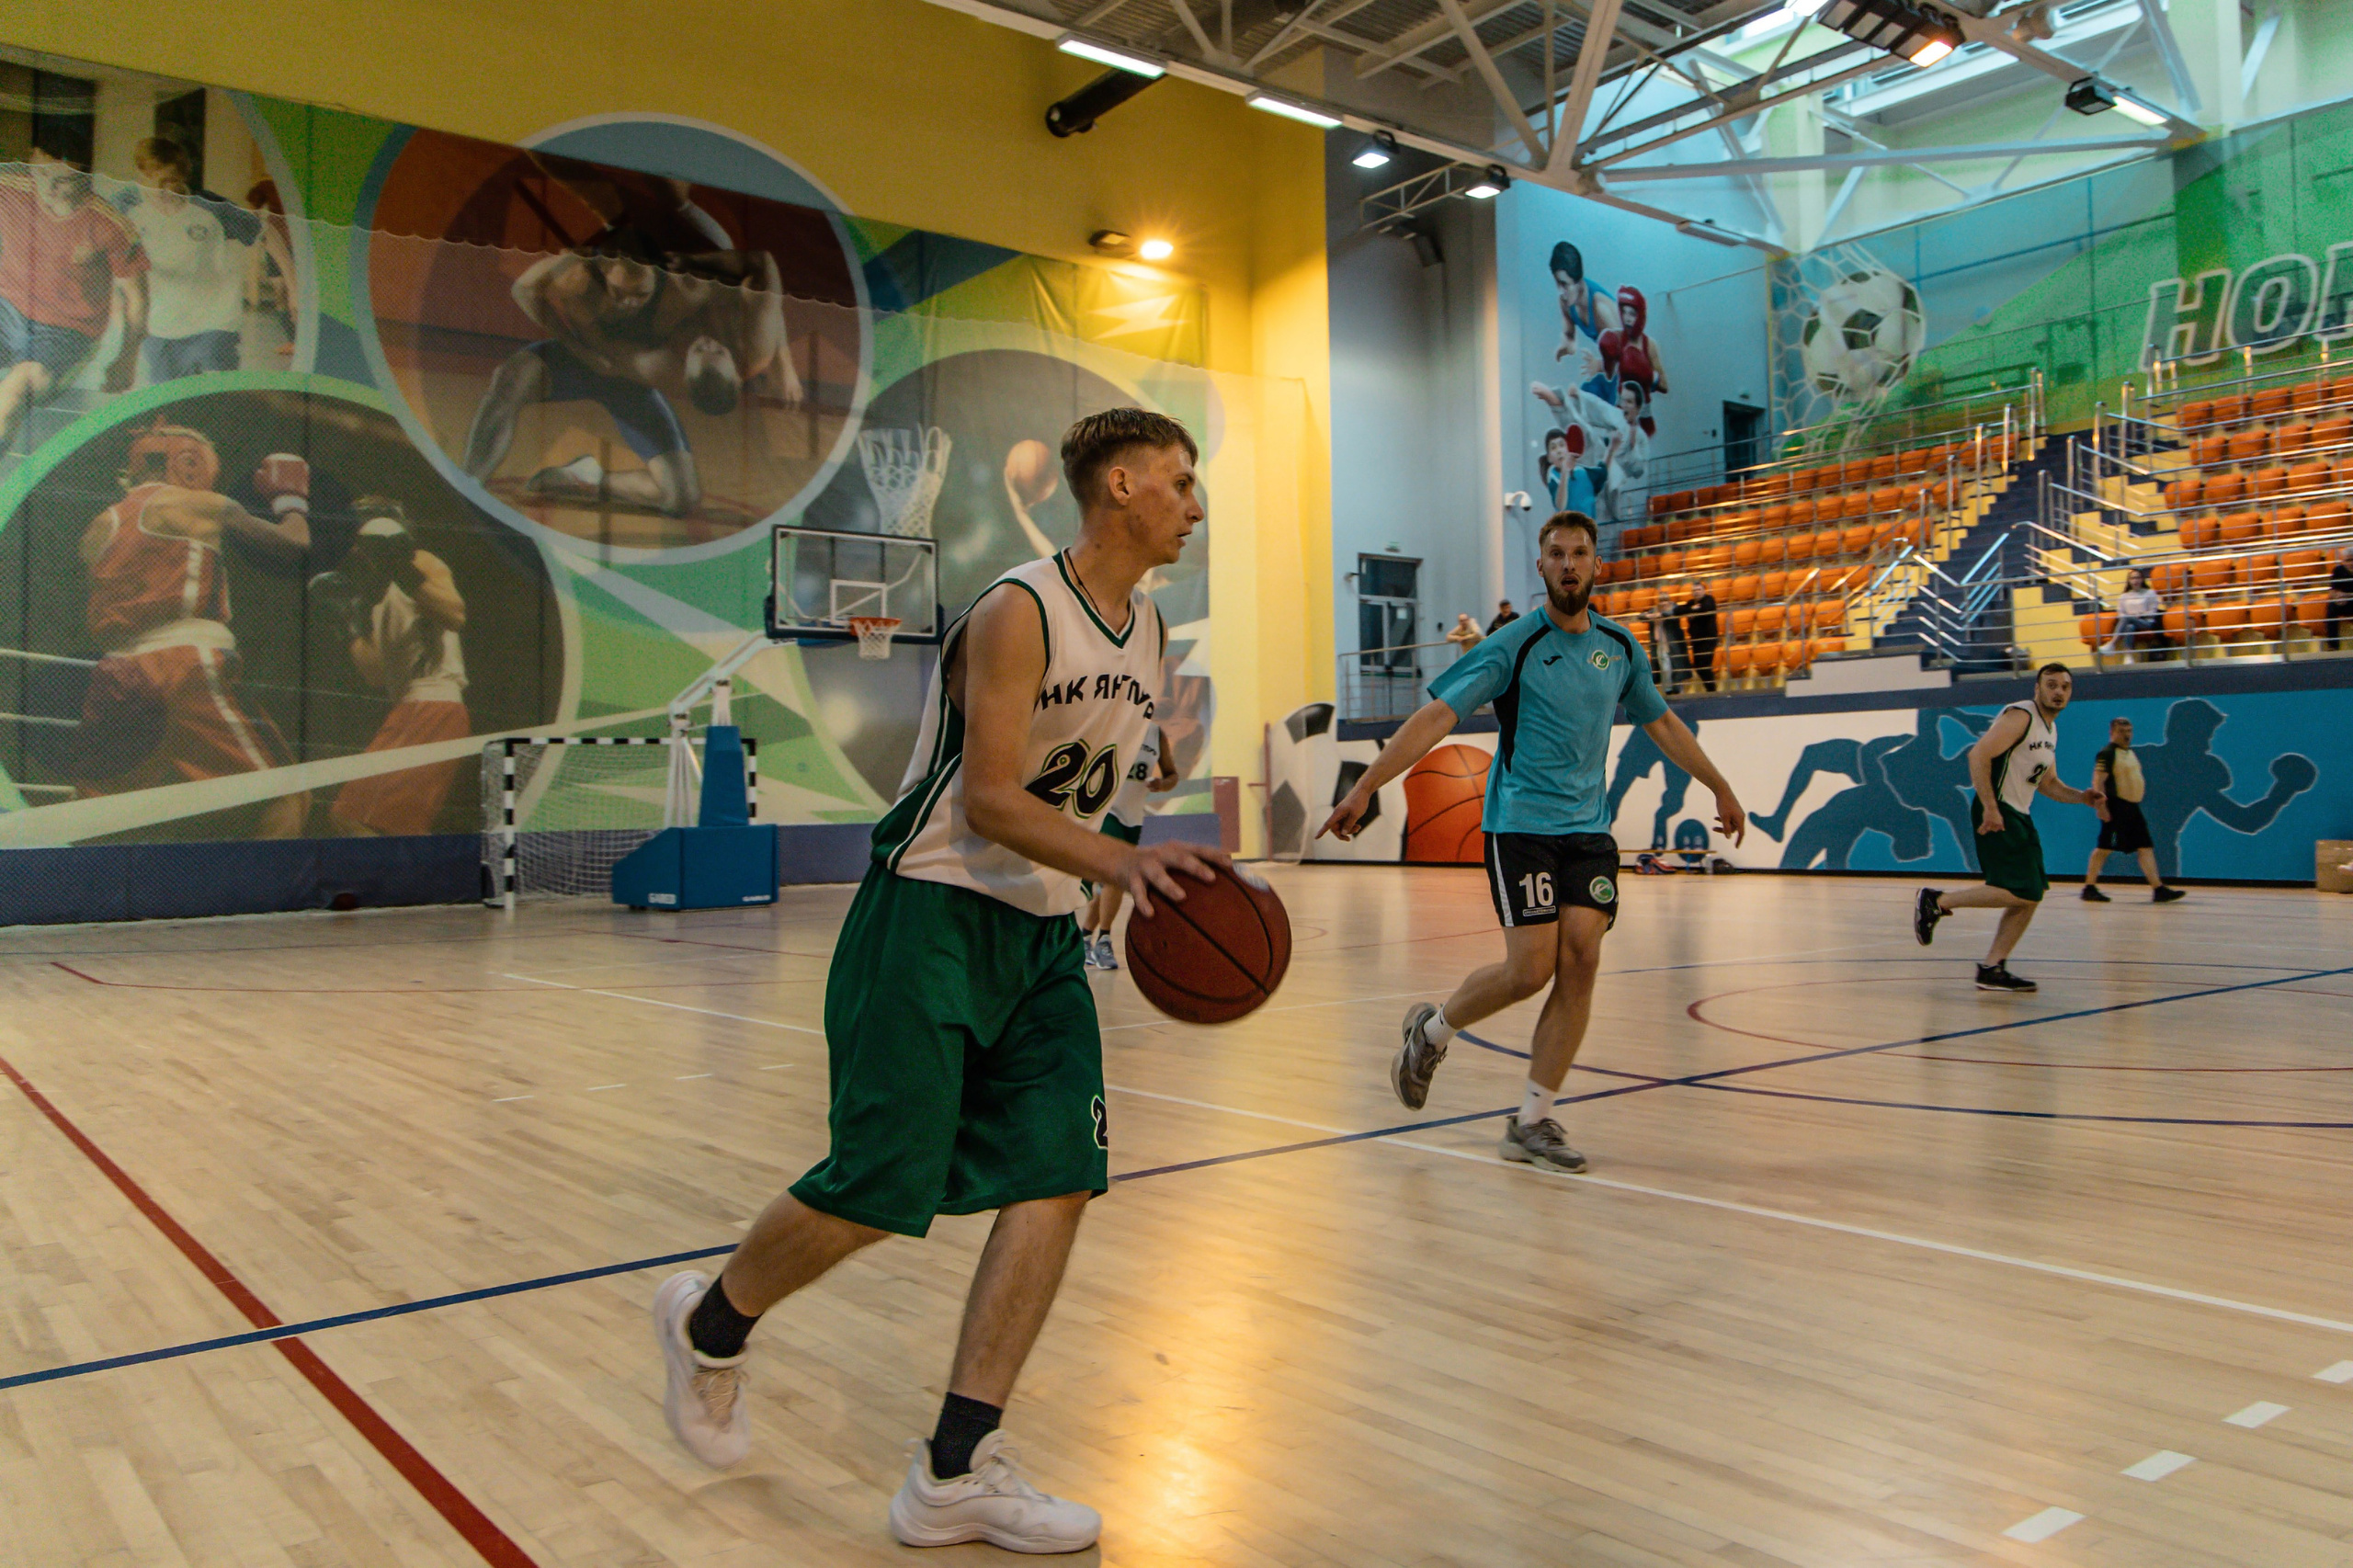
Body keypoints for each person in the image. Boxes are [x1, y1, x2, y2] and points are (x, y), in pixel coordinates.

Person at [651, 409, 1222, 1553]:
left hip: (1042, 937)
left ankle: (954, 1469)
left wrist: (1117, 843)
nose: (1194, 503)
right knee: (875, 1186)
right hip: (929, 915)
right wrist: (1120, 856)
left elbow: (1115, 772)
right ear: (1119, 486)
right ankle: (709, 1323)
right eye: (1179, 481)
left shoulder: (1150, 625)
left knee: (1061, 1172)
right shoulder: (1016, 611)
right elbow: (990, 803)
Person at [1319, 511, 1745, 1174]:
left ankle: (1533, 1120)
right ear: (1541, 567)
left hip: (1588, 831)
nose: (1569, 564)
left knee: (1582, 962)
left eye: (1580, 553)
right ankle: (1430, 1032)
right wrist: (1366, 785)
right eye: (1556, 554)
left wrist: (1718, 785)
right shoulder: (1512, 645)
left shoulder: (1620, 647)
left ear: (1597, 566)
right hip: (1520, 826)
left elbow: (1661, 724)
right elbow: (1436, 715)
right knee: (1529, 971)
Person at [72, 420, 312, 837]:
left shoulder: (97, 527)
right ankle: (264, 898)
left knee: (93, 815)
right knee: (286, 794)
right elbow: (293, 543)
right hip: (183, 665)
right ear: (187, 463)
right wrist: (290, 498)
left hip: (116, 676)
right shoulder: (194, 505)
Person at [461, 233, 800, 517]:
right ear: (604, 271)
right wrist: (574, 347)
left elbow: (763, 304)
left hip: (631, 380)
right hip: (577, 361)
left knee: (681, 497)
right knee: (511, 379)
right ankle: (469, 485)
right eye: (619, 293)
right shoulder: (576, 273)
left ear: (658, 276)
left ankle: (589, 477)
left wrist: (784, 364)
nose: (629, 304)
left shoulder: (686, 290)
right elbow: (523, 290)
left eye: (641, 295)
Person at [1914, 664, 2106, 993]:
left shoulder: (2049, 730)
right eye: (2051, 685)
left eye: (2065, 687)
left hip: (2018, 813)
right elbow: (1978, 755)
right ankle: (1939, 901)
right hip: (1998, 809)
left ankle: (1992, 967)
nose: (2058, 692)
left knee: (2030, 896)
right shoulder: (2022, 716)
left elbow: (2049, 783)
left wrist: (2082, 798)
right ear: (2037, 688)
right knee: (2021, 889)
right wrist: (1990, 806)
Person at [313, 502, 472, 835]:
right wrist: (349, 624)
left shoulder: (420, 562)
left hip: (431, 703)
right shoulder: (372, 595)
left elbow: (455, 615)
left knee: (350, 815)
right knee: (402, 827)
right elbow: (375, 675)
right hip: (416, 708)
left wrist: (402, 569)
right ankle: (426, 884)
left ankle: (401, 885)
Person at [0, 141, 146, 450]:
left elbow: (136, 299)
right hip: (6, 307)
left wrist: (127, 358)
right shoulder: (10, 186)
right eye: (41, 173)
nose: (49, 187)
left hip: (65, 330)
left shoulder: (109, 224)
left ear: (84, 176)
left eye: (63, 179)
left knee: (14, 393)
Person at [116, 137, 291, 381]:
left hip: (214, 321)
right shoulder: (124, 207)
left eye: (174, 183)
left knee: (211, 398)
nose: (167, 190)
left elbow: (266, 232)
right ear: (142, 174)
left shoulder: (209, 207)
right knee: (170, 405)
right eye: (159, 183)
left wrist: (293, 289)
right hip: (161, 325)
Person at [1077, 724, 1179, 970]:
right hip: (1107, 813)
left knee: (1106, 887)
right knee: (1116, 874)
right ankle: (1104, 939)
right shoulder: (1117, 724)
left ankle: (1084, 937)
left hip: (1134, 818)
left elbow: (1173, 775)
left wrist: (1162, 784)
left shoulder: (1156, 734)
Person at [2082, 715, 2183, 903]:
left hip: (2132, 810)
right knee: (2105, 847)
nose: (2127, 735)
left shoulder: (2129, 753)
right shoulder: (2107, 753)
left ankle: (2158, 889)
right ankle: (2089, 887)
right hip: (2115, 809)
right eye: (2122, 732)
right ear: (2112, 732)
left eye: (2129, 731)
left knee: (2145, 847)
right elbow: (2098, 782)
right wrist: (2101, 807)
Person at [2102, 567, 2164, 657]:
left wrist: (2139, 615)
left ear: (2142, 579)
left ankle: (2112, 644)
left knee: (2127, 618)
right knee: (2129, 626)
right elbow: (2121, 613)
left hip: (2146, 622)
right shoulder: (2124, 596)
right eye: (2133, 578)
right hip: (2129, 622)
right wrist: (2131, 617)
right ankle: (2128, 655)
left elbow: (2153, 611)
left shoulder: (2150, 593)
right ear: (2129, 581)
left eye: (2138, 578)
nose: (2135, 581)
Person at [1675, 578, 1720, 692]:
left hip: (1708, 639)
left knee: (1704, 664)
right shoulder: (1691, 603)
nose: (1696, 592)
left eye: (1699, 589)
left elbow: (1706, 608)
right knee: (1698, 666)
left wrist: (1691, 611)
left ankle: (1712, 689)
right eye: (1694, 590)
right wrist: (1691, 609)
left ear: (1704, 591)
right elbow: (1678, 610)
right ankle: (1710, 688)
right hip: (1696, 640)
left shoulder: (1709, 599)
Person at [2328, 546, 2353, 652]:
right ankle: (2333, 646)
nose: (2351, 563)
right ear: (2343, 561)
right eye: (2348, 560)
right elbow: (2332, 591)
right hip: (2345, 603)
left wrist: (2345, 595)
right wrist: (2337, 597)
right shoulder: (2338, 570)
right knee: (2331, 608)